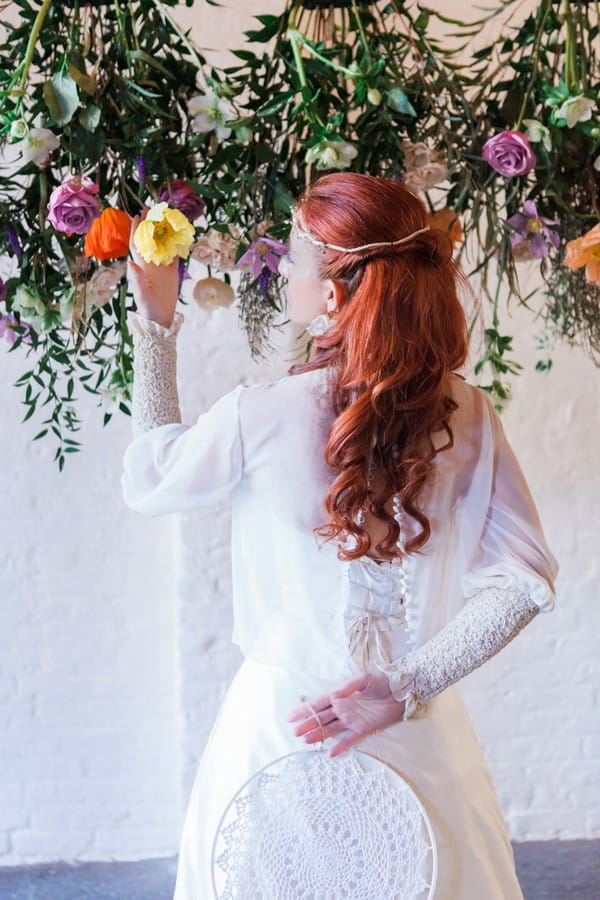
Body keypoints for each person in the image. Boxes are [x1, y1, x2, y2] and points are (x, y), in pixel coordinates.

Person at [121, 173, 558, 899]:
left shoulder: (258, 413)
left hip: (278, 730)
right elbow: (525, 580)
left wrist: (155, 328)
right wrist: (405, 685)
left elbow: (150, 476)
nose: (283, 274)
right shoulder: (472, 415)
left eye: (293, 261)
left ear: (331, 296)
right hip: (421, 735)